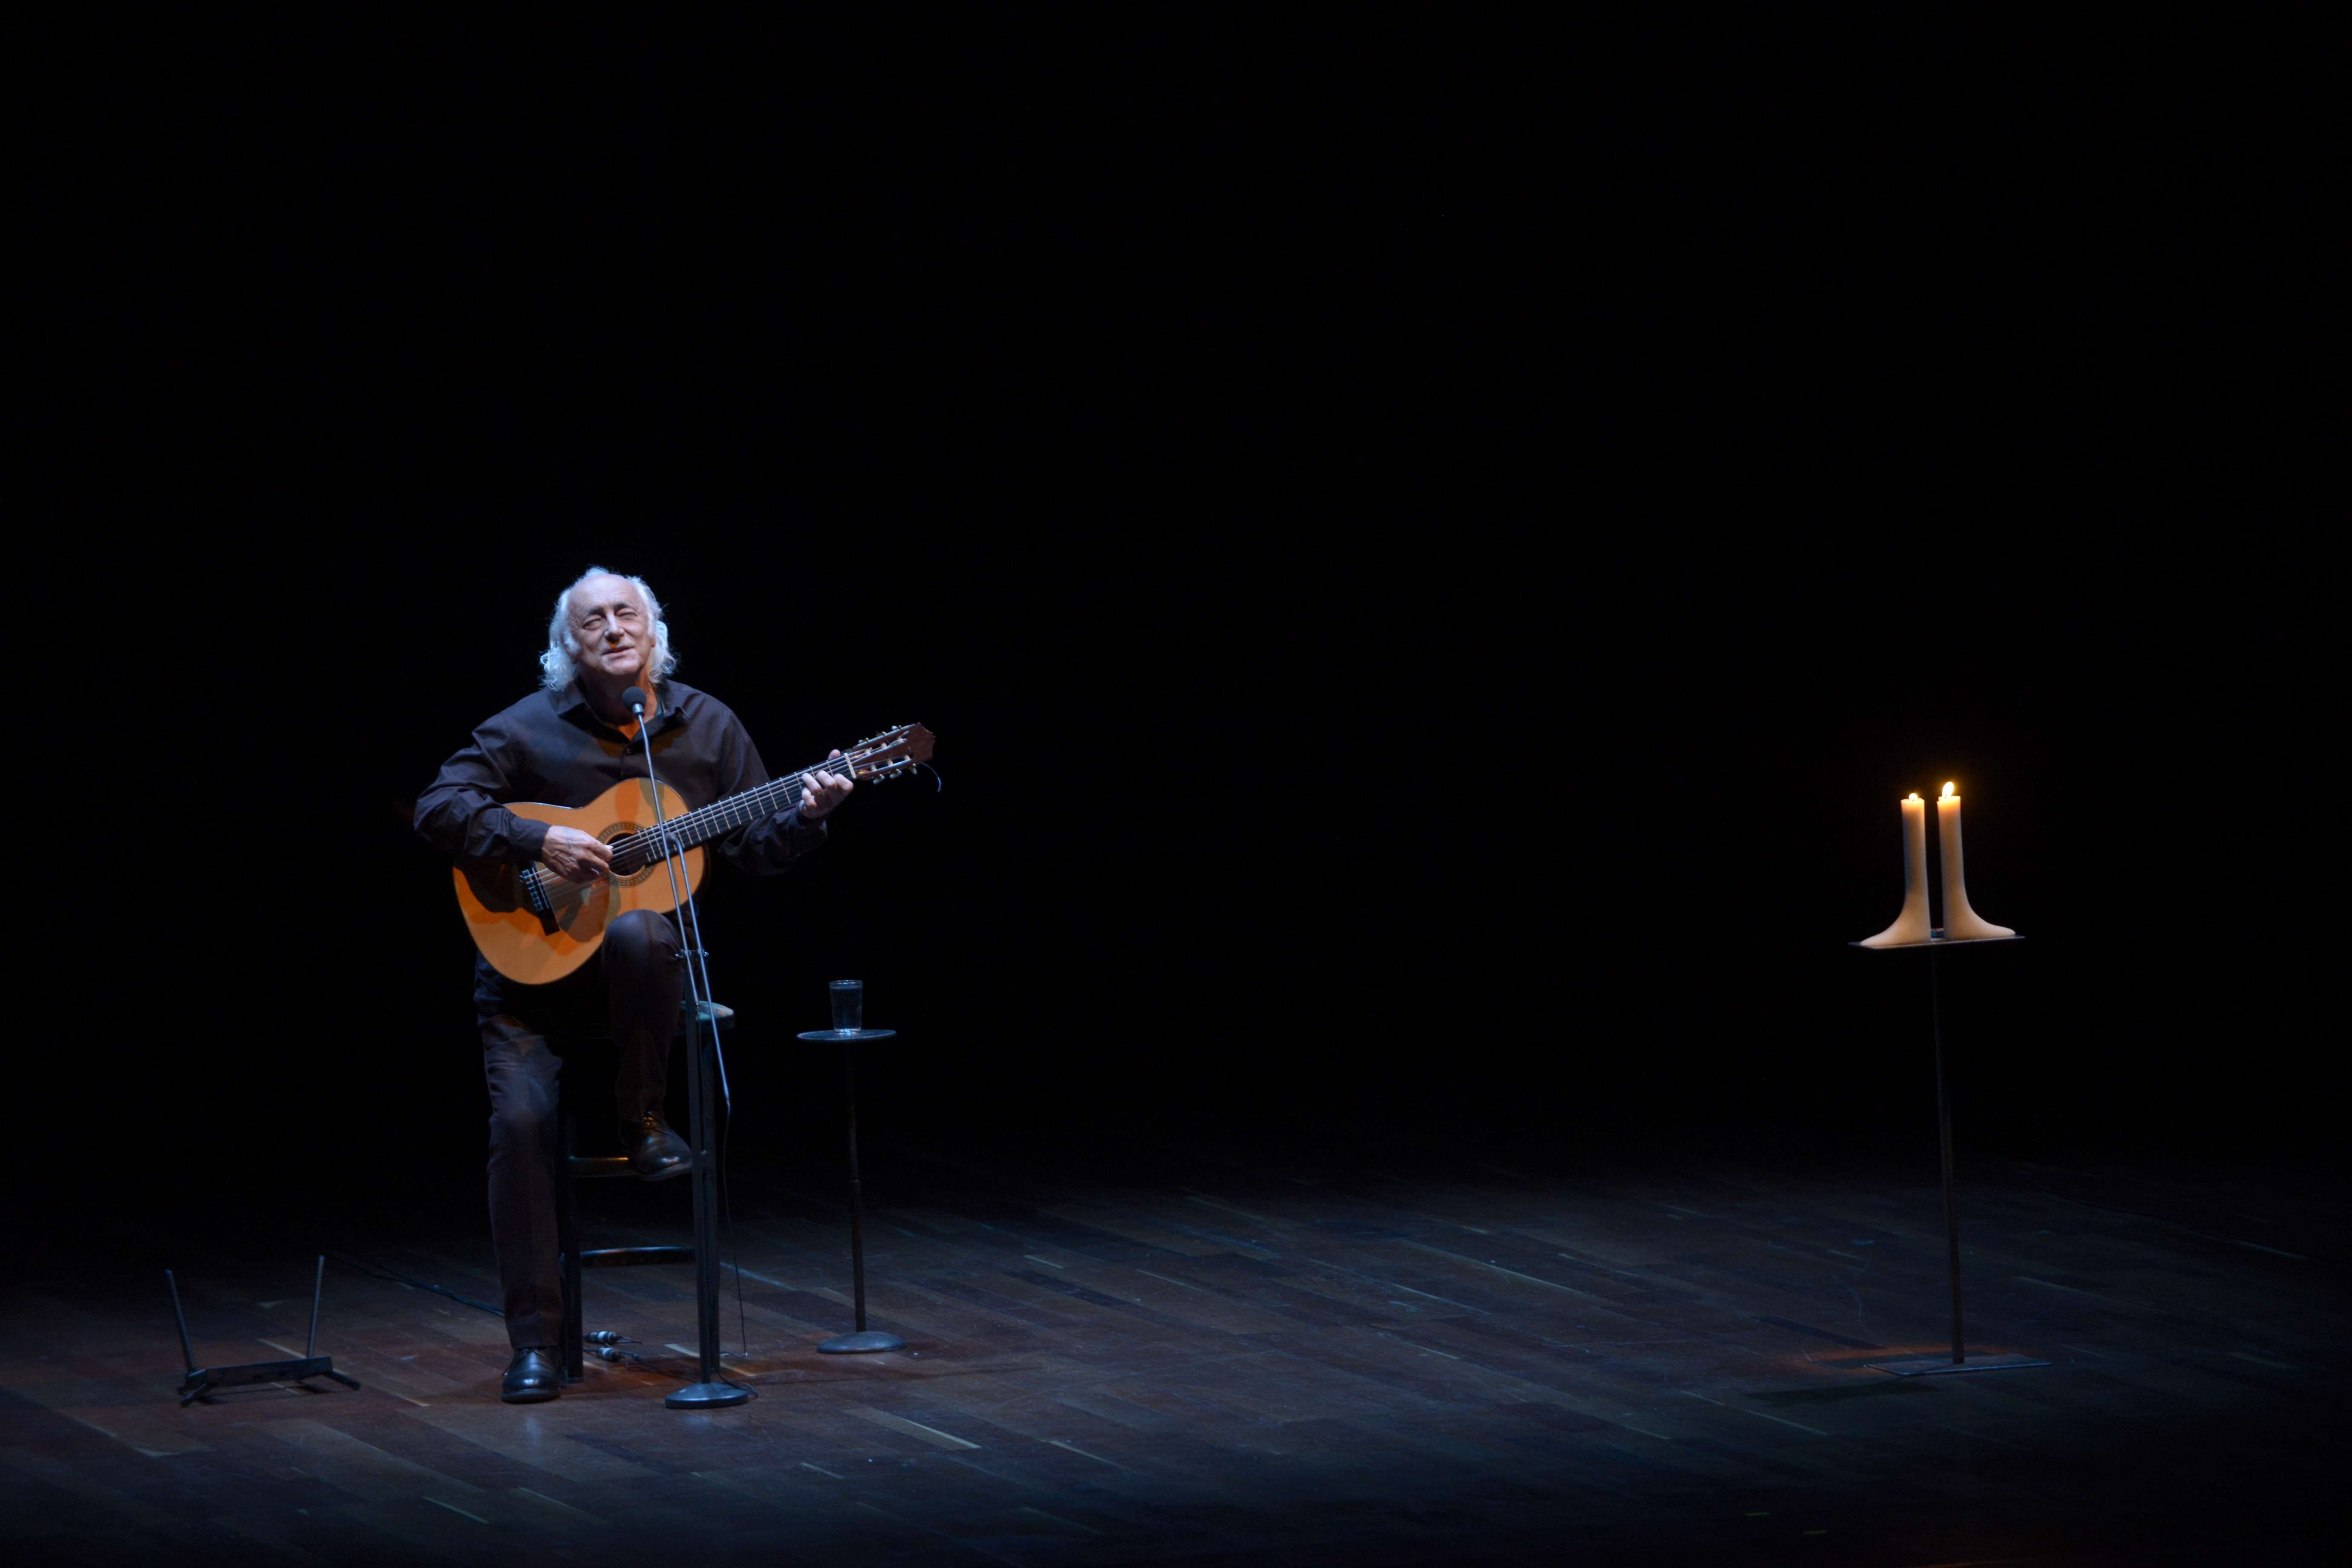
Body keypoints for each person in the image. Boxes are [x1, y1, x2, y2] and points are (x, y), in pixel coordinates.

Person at [415, 568, 851, 1402]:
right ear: (566, 646)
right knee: (522, 1125)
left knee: (642, 924)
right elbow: (441, 807)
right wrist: (535, 837)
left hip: (640, 988)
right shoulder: (524, 728)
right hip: (528, 981)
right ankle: (537, 1344)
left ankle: (643, 1113)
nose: (614, 628)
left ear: (654, 629)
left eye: (627, 613)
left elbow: (756, 847)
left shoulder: (705, 725)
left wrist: (807, 813)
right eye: (594, 621)